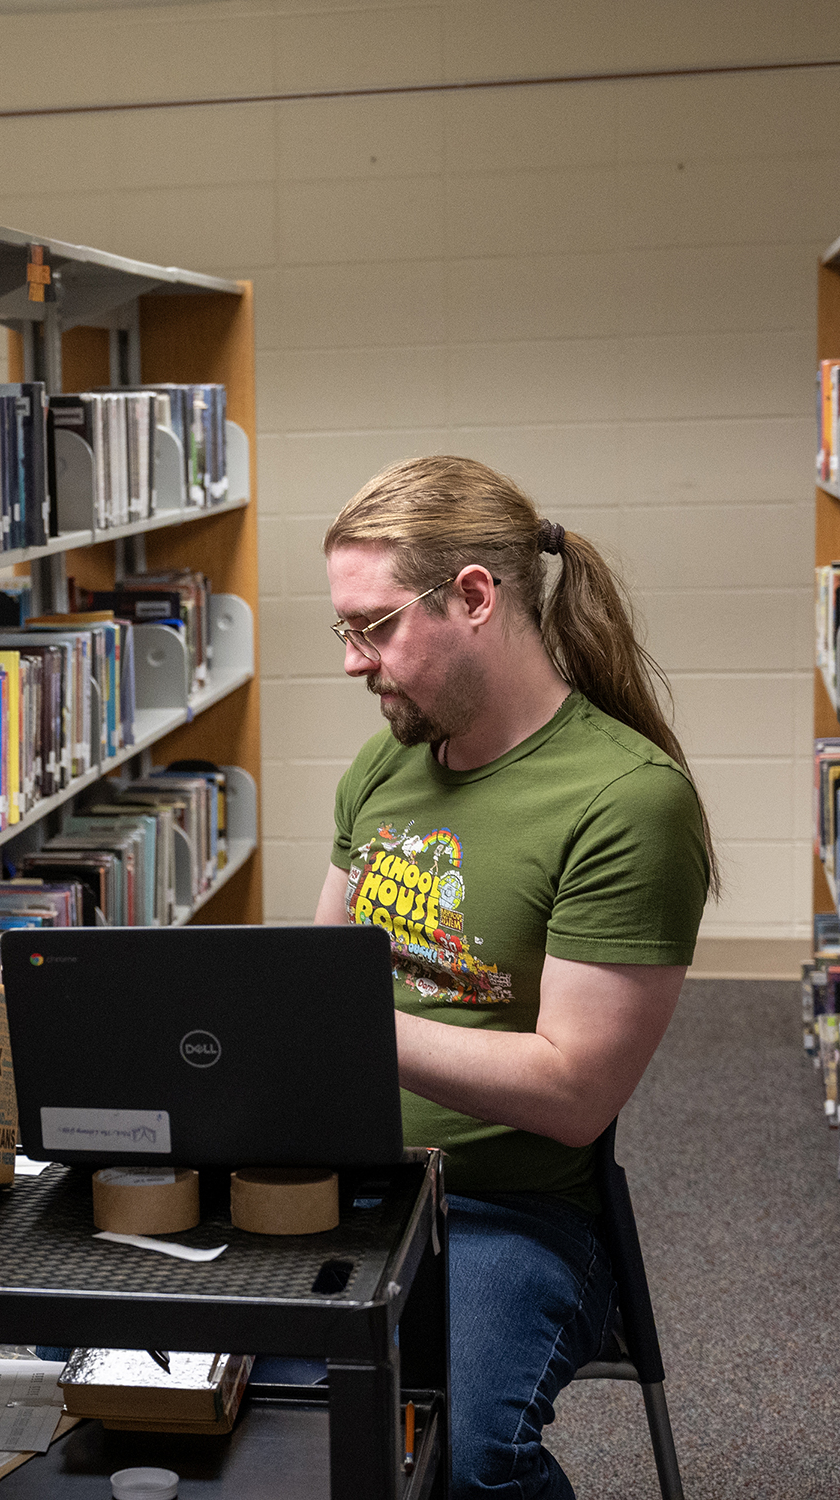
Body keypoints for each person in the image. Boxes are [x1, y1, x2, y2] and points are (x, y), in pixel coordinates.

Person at [314, 456, 713, 1500]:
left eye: (374, 627)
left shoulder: (627, 800)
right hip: (336, 1177)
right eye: (343, 631)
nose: (355, 664)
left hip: (504, 1211)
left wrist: (346, 1027)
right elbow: (315, 975)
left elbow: (576, 1093)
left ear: (476, 598)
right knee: (178, 1382)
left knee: (475, 1462)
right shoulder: (383, 767)